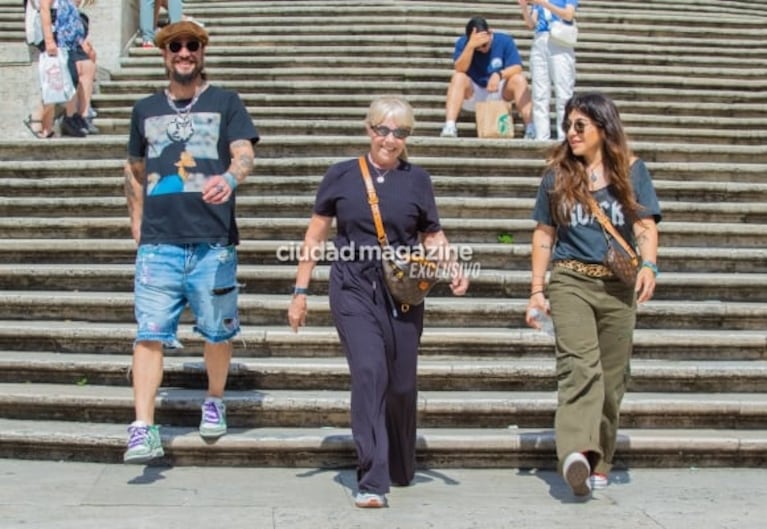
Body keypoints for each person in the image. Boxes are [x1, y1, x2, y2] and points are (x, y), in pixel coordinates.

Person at [287, 96, 470, 508]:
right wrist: (300, 292)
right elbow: (315, 237)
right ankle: (372, 479)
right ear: (369, 129)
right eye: (383, 130)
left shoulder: (417, 180)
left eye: (400, 132)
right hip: (352, 286)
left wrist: (452, 264)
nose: (390, 139)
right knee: (370, 373)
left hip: (402, 291)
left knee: (402, 386)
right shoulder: (341, 176)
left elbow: (431, 234)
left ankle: (401, 464)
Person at [122, 20, 259, 464]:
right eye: (176, 46)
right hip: (158, 244)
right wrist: (137, 222)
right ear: (164, 54)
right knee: (149, 334)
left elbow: (245, 153)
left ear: (202, 52)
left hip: (212, 241)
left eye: (192, 46)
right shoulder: (144, 109)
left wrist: (229, 177)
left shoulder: (225, 102)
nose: (184, 52)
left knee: (217, 330)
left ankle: (214, 398)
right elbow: (135, 169)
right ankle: (143, 427)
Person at [525, 92, 661, 497]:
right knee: (580, 367)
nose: (571, 133)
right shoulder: (557, 175)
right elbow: (544, 234)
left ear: (603, 127)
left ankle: (600, 457)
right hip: (571, 280)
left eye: (579, 125)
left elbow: (645, 225)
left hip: (618, 286)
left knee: (613, 379)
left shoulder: (633, 172)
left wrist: (649, 265)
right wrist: (536, 289)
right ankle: (574, 454)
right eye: (568, 125)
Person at [440, 16, 535, 139]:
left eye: (484, 44)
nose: (482, 49)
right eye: (478, 47)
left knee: (519, 79)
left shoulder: (504, 40)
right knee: (458, 77)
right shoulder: (463, 43)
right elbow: (460, 68)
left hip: (499, 90)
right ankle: (450, 125)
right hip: (473, 91)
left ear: (490, 33)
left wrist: (499, 74)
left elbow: (517, 67)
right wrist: (470, 47)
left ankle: (531, 127)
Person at [25, 0, 92, 138]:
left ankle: (47, 126)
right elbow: (44, 8)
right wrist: (49, 41)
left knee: (63, 78)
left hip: (65, 30)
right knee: (56, 78)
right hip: (54, 30)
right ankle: (36, 117)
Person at [518, 0, 579, 140]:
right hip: (540, 40)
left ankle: (564, 137)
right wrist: (524, 7)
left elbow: (568, 15)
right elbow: (531, 24)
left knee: (563, 93)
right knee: (539, 93)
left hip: (560, 39)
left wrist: (544, 4)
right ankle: (541, 137)